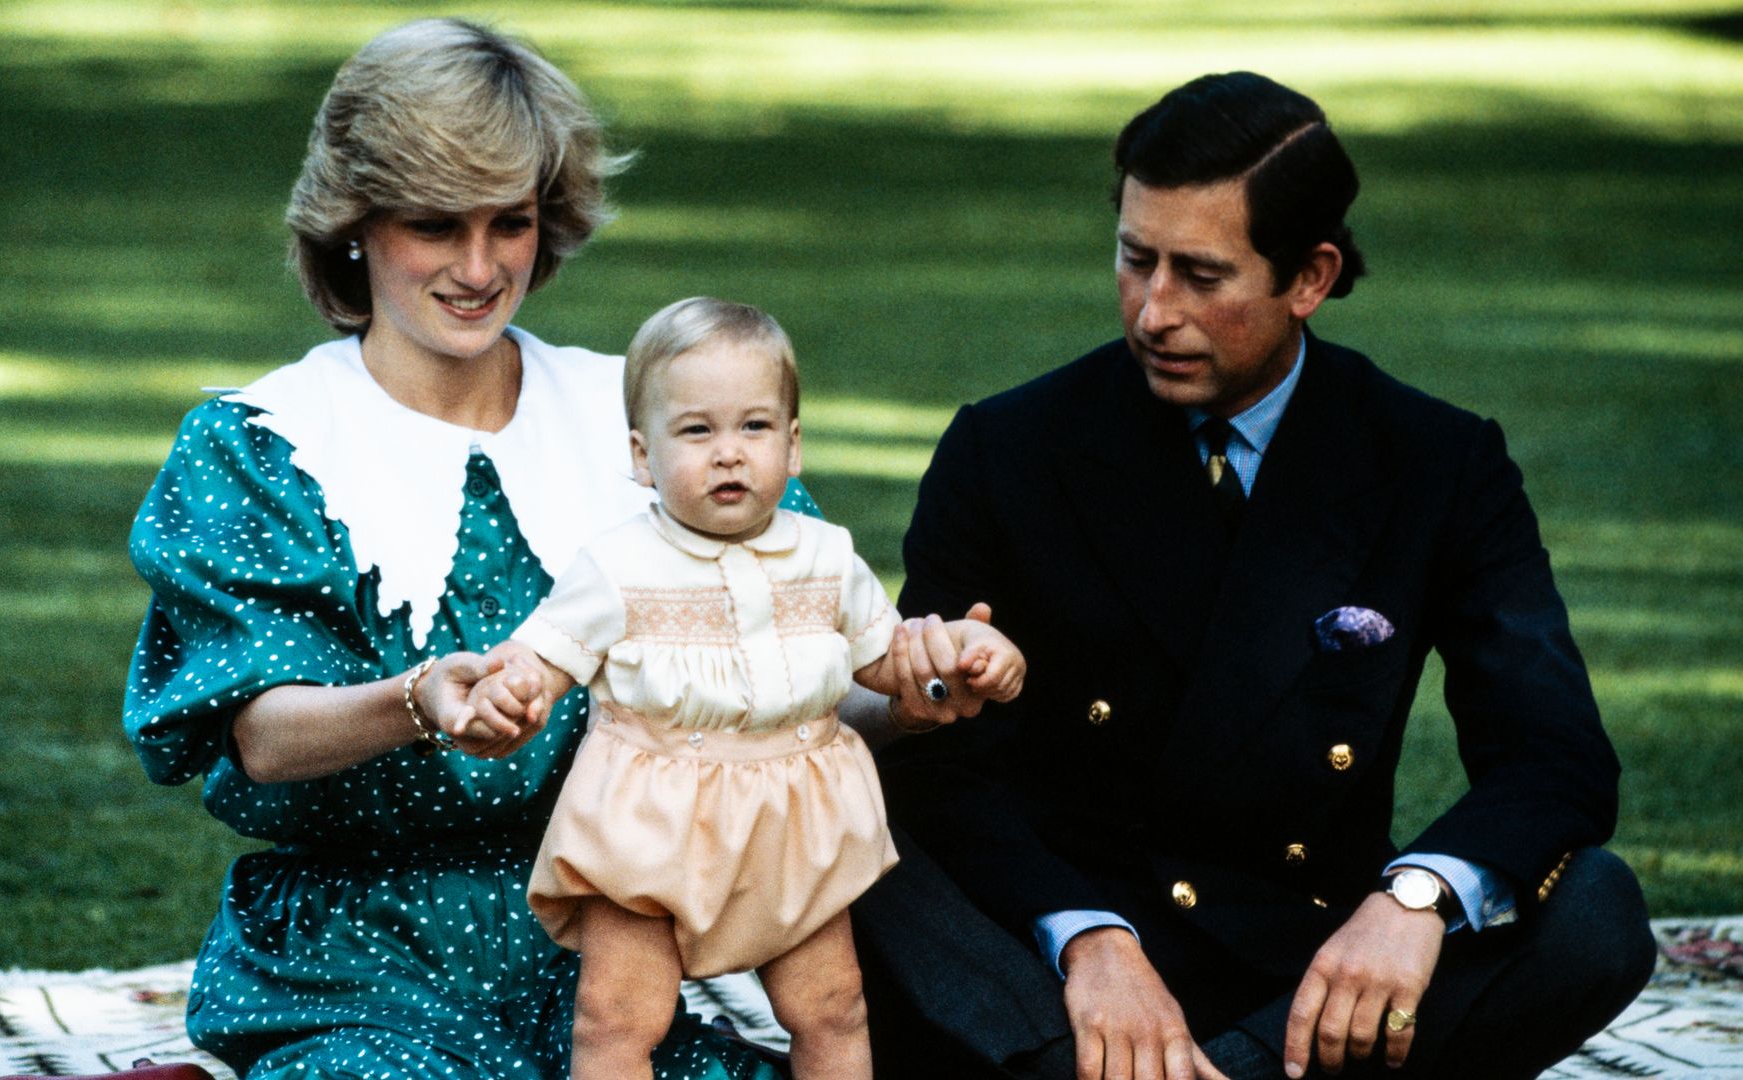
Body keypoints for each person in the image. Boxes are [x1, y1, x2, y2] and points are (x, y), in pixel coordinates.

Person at [121, 20, 900, 1079]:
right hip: (359, 957)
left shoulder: (647, 420)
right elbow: (260, 735)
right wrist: (418, 699)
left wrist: (913, 692)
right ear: (354, 225)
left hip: (610, 949)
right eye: (436, 225)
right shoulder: (264, 443)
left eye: (512, 224)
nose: (481, 268)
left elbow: (791, 674)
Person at [850, 71, 1656, 1080]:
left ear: (1309, 278)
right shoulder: (1007, 448)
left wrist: (1415, 901)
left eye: (1201, 275)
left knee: (1595, 910)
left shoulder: (1435, 463)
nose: (1152, 312)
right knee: (839, 810)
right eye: (1134, 259)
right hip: (1053, 969)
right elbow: (942, 770)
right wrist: (1089, 937)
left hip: (1296, 974)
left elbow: (1556, 753)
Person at [465, 296, 1026, 1080]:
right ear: (641, 455)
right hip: (649, 816)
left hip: (794, 815)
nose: (729, 453)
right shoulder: (618, 566)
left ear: (793, 447)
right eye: (696, 430)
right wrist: (511, 685)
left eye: (754, 427)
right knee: (618, 1016)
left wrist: (963, 650)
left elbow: (890, 661)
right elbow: (543, 655)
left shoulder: (826, 557)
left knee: (832, 1006)